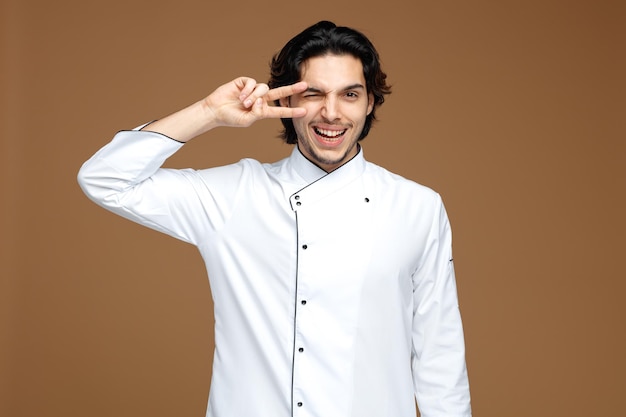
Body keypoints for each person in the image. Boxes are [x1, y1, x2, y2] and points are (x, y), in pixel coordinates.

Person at [78, 20, 471, 417]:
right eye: (313, 94)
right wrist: (208, 112)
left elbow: (440, 355)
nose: (331, 113)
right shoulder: (234, 195)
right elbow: (105, 179)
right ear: (285, 104)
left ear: (370, 102)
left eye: (349, 94)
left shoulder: (417, 207)